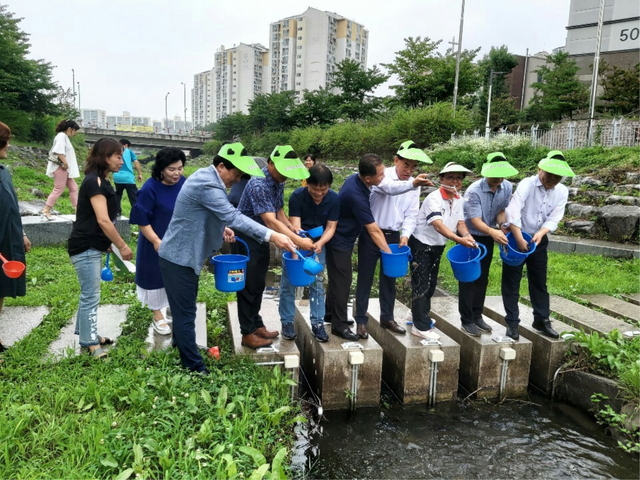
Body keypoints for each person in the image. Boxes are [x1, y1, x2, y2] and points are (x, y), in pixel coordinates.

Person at [158, 142, 295, 373]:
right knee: (186, 312)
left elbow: (204, 212)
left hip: (184, 256)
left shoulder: (209, 179)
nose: (238, 179)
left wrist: (221, 228)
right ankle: (194, 366)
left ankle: (182, 347)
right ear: (222, 166)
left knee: (185, 308)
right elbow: (232, 214)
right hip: (178, 258)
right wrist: (273, 235)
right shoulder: (208, 183)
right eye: (237, 173)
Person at [234, 145, 314, 344]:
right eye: (282, 170)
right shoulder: (259, 183)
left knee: (259, 282)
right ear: (270, 163)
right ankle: (247, 332)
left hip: (262, 235)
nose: (285, 176)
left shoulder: (278, 180)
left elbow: (278, 211)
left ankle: (256, 322)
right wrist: (298, 241)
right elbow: (270, 220)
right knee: (248, 284)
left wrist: (291, 228)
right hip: (246, 237)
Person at [354, 141, 433, 337]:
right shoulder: (382, 176)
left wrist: (405, 236)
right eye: (406, 164)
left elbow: (411, 214)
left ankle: (387, 318)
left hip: (394, 235)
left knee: (389, 278)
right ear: (396, 160)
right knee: (365, 277)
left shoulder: (414, 184)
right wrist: (413, 184)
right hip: (372, 232)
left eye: (413, 167)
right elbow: (390, 189)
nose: (409, 170)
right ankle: (361, 321)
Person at [68, 138, 133, 358]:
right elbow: (103, 220)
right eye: (117, 156)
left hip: (92, 245)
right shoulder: (94, 181)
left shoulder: (101, 181)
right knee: (90, 295)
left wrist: (105, 243)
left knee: (89, 293)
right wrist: (122, 246)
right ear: (104, 157)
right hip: (85, 245)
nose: (121, 161)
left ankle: (89, 333)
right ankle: (89, 342)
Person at [501, 151, 575, 341]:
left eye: (557, 176)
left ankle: (541, 320)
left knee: (539, 282)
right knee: (511, 282)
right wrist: (518, 237)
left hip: (538, 241)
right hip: (516, 238)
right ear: (540, 169)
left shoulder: (562, 191)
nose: (552, 179)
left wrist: (541, 234)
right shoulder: (527, 184)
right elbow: (514, 210)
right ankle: (512, 323)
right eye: (549, 174)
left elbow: (555, 217)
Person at [325, 154, 393, 341]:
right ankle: (339, 326)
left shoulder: (358, 180)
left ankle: (330, 314)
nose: (383, 178)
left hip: (343, 237)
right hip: (339, 240)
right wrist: (389, 253)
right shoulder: (356, 195)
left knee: (337, 279)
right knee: (343, 282)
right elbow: (374, 231)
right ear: (368, 177)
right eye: (380, 175)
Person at [409, 162, 477, 340]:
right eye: (450, 177)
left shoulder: (458, 199)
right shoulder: (434, 199)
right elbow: (438, 225)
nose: (455, 181)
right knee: (422, 283)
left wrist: (467, 235)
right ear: (441, 179)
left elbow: (460, 222)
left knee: (431, 283)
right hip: (422, 244)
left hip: (438, 245)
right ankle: (420, 326)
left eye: (458, 178)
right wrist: (459, 240)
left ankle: (416, 314)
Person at [458, 152, 518, 336]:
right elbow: (475, 220)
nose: (499, 179)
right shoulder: (474, 190)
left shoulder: (506, 186)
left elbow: (501, 211)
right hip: (471, 237)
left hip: (489, 235)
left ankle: (477, 315)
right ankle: (466, 319)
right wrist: (493, 231)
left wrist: (501, 226)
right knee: (469, 278)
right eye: (496, 175)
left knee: (482, 278)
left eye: (502, 176)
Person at [278, 163, 339, 342]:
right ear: (307, 183)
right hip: (298, 242)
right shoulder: (298, 195)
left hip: (318, 245)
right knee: (288, 283)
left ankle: (318, 323)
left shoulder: (334, 199)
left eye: (323, 189)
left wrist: (320, 243)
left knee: (317, 283)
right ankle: (287, 322)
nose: (319, 193)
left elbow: (331, 226)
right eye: (315, 189)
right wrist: (299, 246)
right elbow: (295, 225)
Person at [129, 147, 186, 336]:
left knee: (175, 276)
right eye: (172, 169)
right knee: (154, 276)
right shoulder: (149, 188)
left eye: (180, 168)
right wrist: (155, 241)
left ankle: (171, 307)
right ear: (161, 169)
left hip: (178, 241)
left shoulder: (184, 184)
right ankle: (157, 315)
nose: (177, 173)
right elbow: (142, 219)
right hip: (155, 240)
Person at [0, 121, 32, 351]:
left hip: (6, 239)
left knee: (1, 288)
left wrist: (21, 233)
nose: (9, 145)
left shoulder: (3, 171)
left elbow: (11, 206)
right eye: (7, 140)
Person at [42, 119, 81, 220]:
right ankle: (46, 210)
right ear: (69, 129)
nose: (76, 133)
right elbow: (59, 151)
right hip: (61, 167)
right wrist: (65, 163)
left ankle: (78, 212)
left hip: (64, 168)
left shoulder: (64, 137)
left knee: (74, 188)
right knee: (59, 188)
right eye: (75, 130)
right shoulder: (61, 136)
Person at [113, 139, 143, 216]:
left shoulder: (115, 151)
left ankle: (117, 212)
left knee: (118, 195)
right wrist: (140, 174)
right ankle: (137, 213)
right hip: (128, 178)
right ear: (126, 145)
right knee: (134, 196)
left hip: (117, 177)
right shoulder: (129, 151)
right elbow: (136, 162)